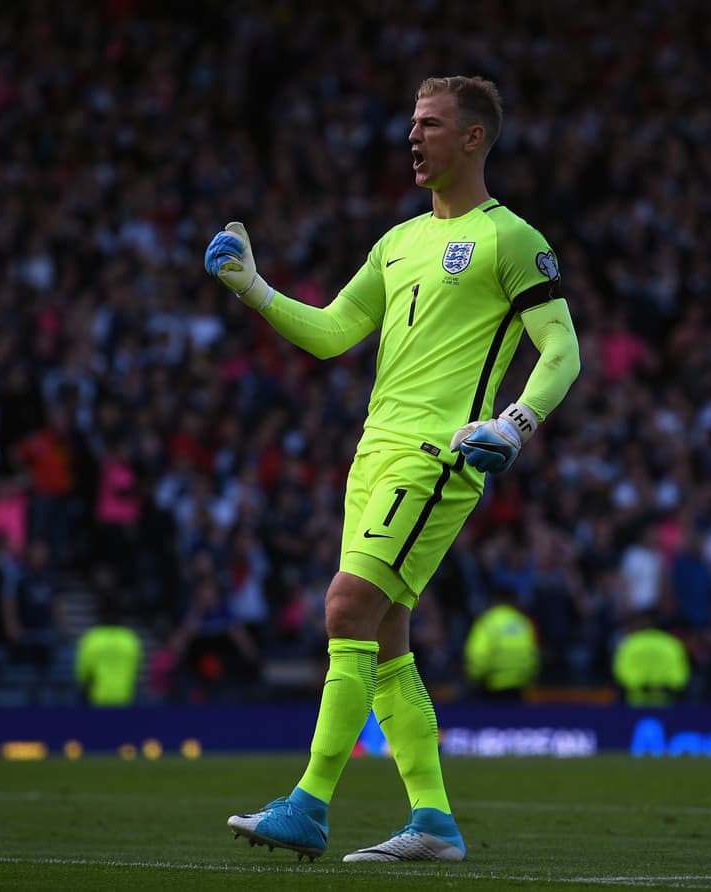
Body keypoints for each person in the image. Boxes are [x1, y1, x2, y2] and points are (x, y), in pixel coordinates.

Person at [204, 75, 581, 862]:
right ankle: (434, 822)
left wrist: (513, 423)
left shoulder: (510, 238)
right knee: (383, 641)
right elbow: (333, 332)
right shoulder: (398, 241)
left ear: (472, 138)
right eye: (413, 122)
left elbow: (562, 350)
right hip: (373, 455)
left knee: (346, 607)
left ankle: (308, 804)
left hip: (438, 455)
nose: (413, 136)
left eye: (431, 124)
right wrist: (254, 289)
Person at [464, 589, 540, 699]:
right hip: (519, 688)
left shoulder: (487, 622)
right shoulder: (524, 623)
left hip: (490, 689)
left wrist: (473, 678)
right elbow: (534, 656)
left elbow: (477, 657)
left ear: (494, 602)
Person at [74, 597, 143, 707]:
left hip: (98, 703)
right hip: (125, 702)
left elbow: (82, 676)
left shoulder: (92, 639)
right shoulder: (130, 640)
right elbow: (135, 673)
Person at [612, 612, 690, 707]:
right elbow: (680, 674)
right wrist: (665, 686)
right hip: (666, 700)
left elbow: (621, 671)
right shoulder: (671, 644)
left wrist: (639, 685)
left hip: (637, 700)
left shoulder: (630, 643)